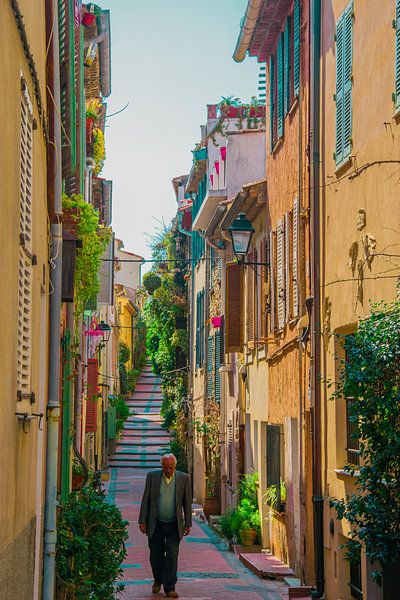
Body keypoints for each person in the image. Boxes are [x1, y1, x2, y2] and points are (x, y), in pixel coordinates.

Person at [138, 453, 192, 598]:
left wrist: (188, 523)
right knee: (155, 556)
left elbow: (187, 502)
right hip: (156, 524)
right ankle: (158, 579)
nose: (168, 470)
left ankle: (170, 587)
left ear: (175, 466)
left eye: (171, 467)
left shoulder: (183, 478)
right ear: (161, 467)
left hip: (174, 524)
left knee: (172, 555)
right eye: (165, 467)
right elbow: (146, 499)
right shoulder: (152, 477)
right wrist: (142, 521)